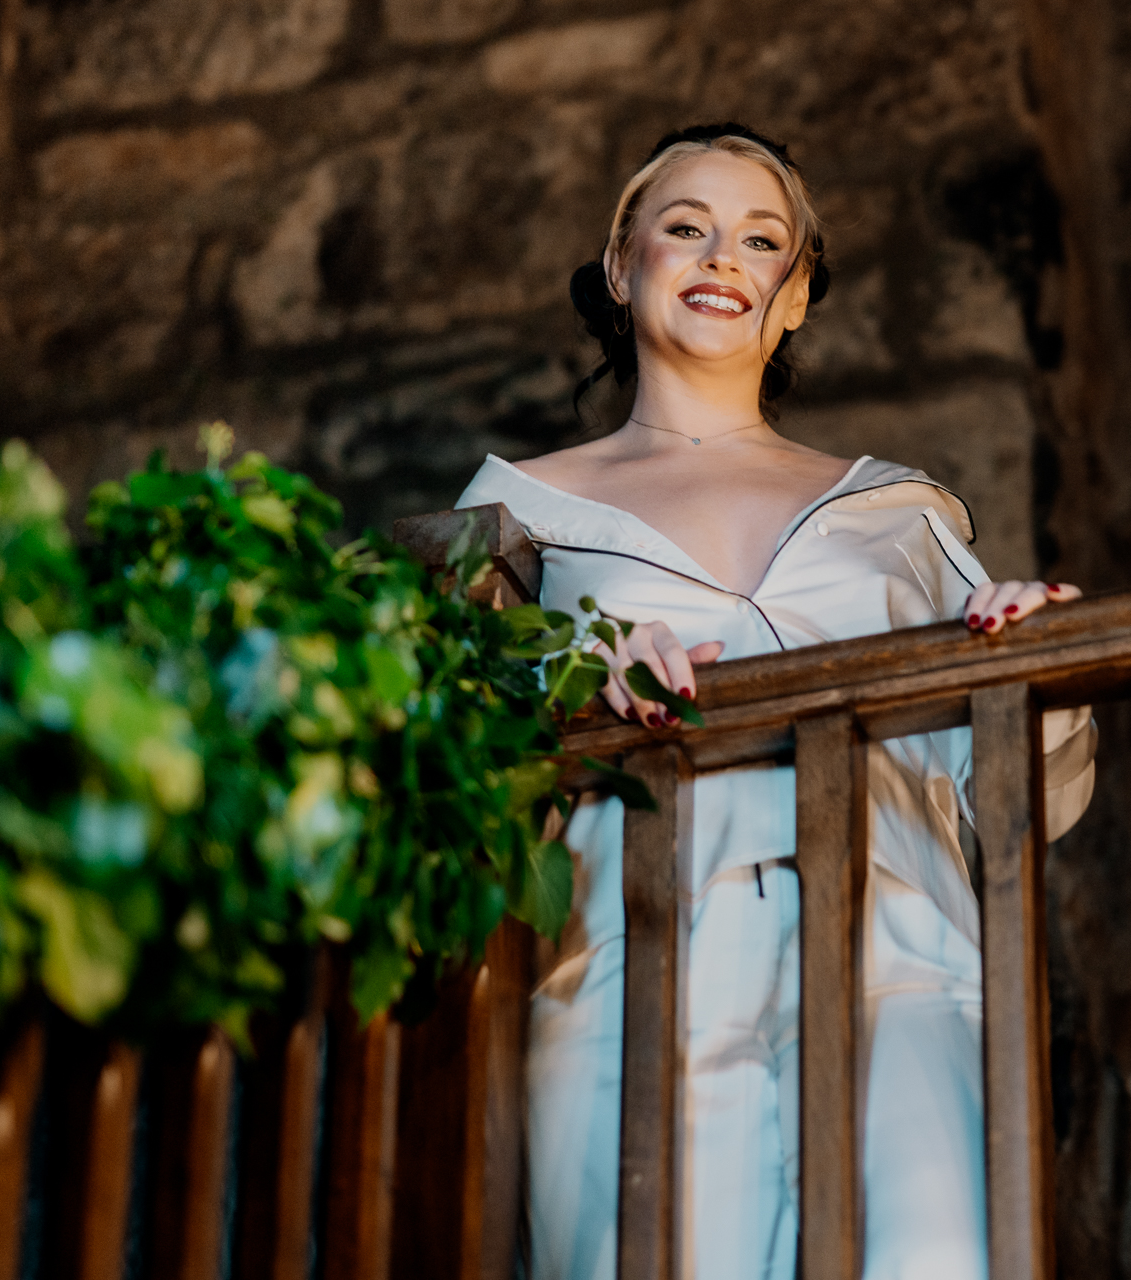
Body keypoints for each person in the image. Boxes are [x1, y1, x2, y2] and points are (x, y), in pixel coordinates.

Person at [455, 123, 1096, 1280]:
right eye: (685, 226)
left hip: (895, 954)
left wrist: (1024, 662)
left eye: (762, 239)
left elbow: (1017, 794)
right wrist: (571, 688)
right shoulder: (515, 510)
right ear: (620, 265)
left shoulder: (898, 515)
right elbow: (450, 771)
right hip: (627, 965)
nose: (721, 256)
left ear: (793, 296)